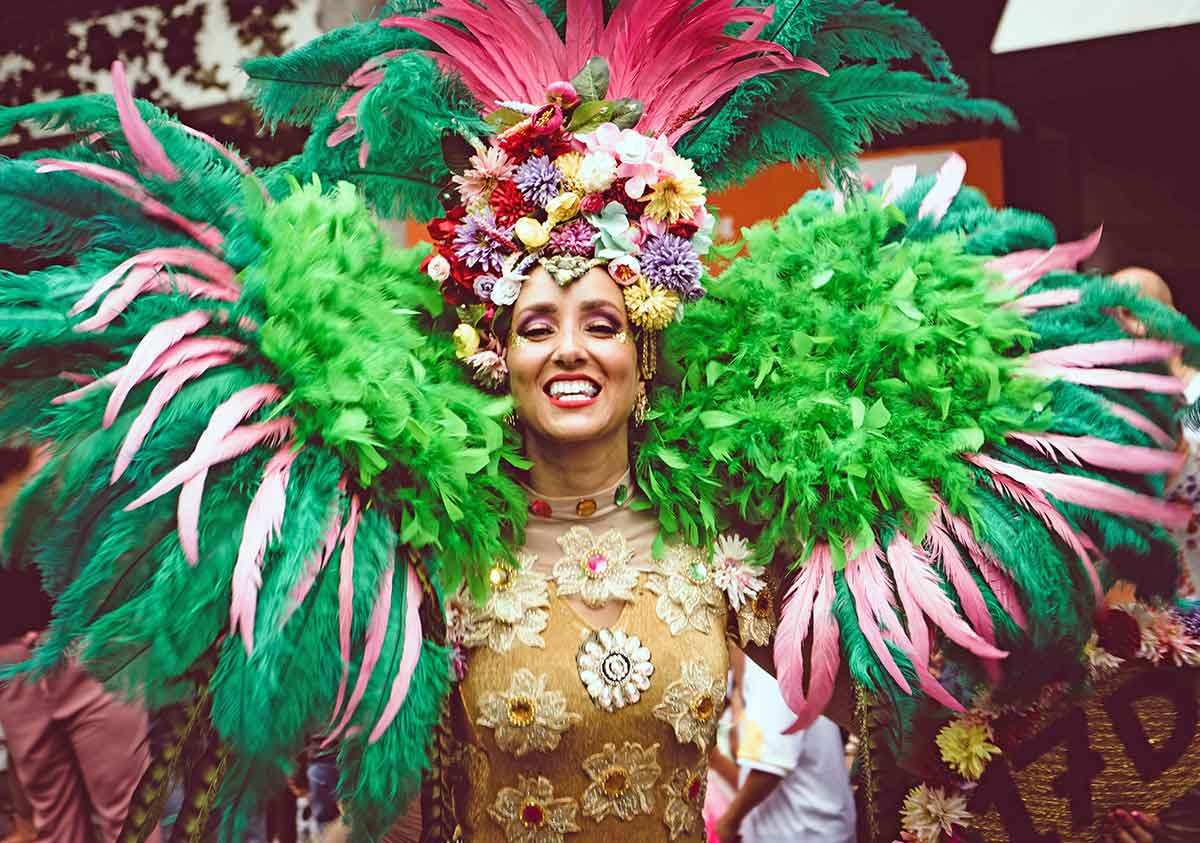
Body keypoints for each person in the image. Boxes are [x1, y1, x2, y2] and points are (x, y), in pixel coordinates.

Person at [0, 2, 1193, 840]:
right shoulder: (430, 552)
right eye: (535, 324)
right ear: (495, 354)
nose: (571, 347)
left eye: (603, 321)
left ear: (644, 352)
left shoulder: (741, 542)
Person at [0, 445, 158, 843]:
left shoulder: (54, 439)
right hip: (10, 660)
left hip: (81, 642)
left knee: (126, 821)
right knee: (55, 826)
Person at [714, 656, 854, 843]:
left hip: (805, 832)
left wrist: (728, 823)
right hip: (798, 827)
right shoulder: (746, 674)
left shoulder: (770, 670)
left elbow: (769, 769)